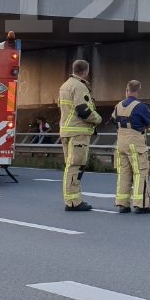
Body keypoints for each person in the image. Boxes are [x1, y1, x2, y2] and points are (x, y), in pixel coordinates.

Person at [58, 59, 101, 211]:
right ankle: (73, 202)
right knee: (76, 166)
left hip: (66, 130)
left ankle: (72, 199)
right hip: (78, 132)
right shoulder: (80, 86)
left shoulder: (65, 85)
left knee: (70, 166)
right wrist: (97, 119)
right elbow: (83, 109)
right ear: (86, 71)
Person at [113, 80, 150, 214]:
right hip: (135, 142)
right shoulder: (140, 106)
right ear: (138, 91)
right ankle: (141, 204)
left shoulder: (118, 106)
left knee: (124, 173)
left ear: (126, 90)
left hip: (120, 142)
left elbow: (113, 120)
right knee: (140, 172)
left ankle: (122, 204)